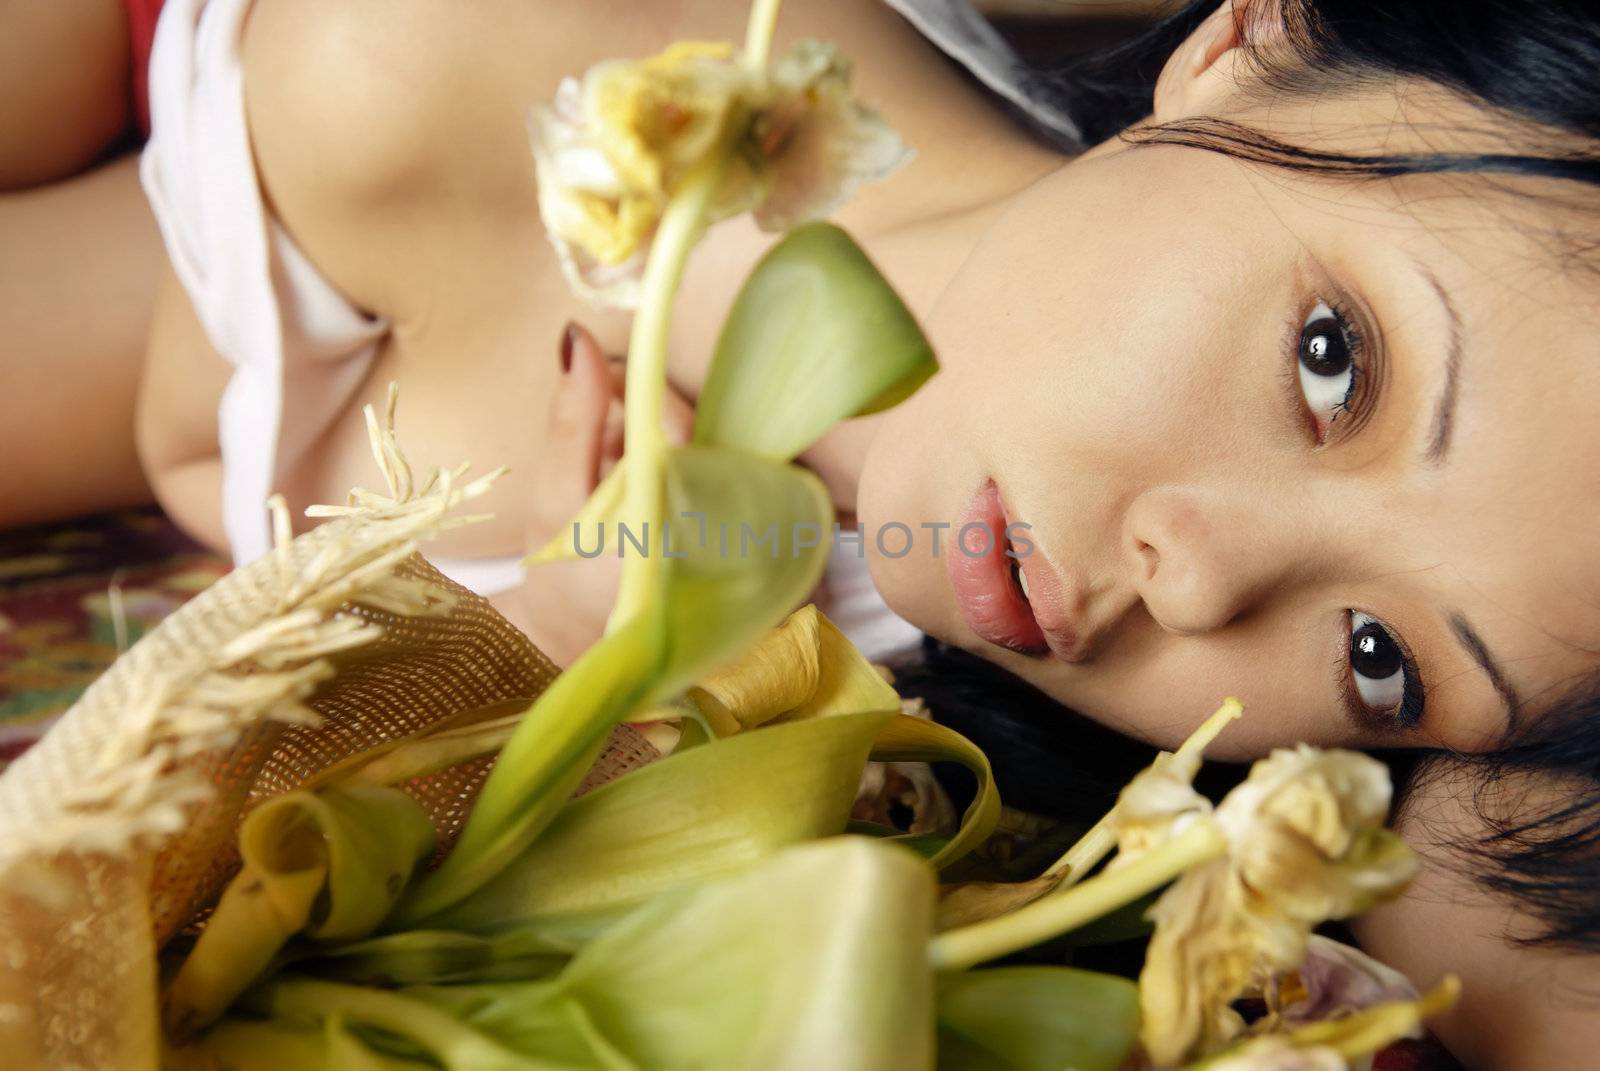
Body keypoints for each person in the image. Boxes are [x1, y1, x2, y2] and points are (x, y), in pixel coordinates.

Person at [15, 0, 1600, 1064]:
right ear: (1252, 41)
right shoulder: (473, 47)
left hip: (248, 310)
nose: (1203, 580)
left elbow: (193, 442)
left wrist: (560, 639)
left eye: (1381, 658)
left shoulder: (878, 779)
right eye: (1332, 362)